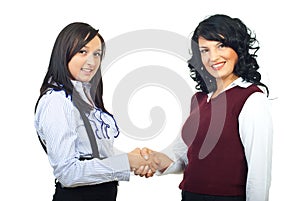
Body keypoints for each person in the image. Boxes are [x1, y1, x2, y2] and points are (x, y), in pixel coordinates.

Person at [138, 14, 273, 201]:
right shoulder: (199, 100)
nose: (213, 57)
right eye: (204, 50)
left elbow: (259, 176)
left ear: (238, 48)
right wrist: (154, 160)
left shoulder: (251, 99)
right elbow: (183, 158)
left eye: (221, 46)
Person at [34, 22, 153, 201]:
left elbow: (93, 156)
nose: (92, 62)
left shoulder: (84, 95)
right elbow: (68, 173)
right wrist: (127, 162)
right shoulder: (57, 101)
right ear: (64, 52)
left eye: (97, 54)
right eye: (83, 51)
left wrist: (133, 159)